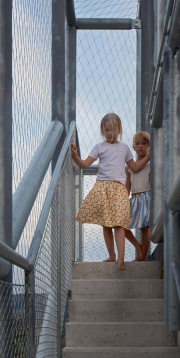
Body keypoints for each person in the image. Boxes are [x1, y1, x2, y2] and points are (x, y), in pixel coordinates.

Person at [70, 113, 149, 271]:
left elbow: (134, 168)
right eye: (107, 129)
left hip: (119, 189)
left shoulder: (125, 147)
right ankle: (111, 255)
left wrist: (148, 157)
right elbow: (85, 164)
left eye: (114, 129)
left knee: (119, 224)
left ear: (119, 129)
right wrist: (75, 156)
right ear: (102, 130)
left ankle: (121, 257)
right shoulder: (100, 147)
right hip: (102, 187)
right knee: (105, 224)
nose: (110, 133)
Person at [124, 131, 151, 261]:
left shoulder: (152, 164)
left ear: (149, 146)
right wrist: (124, 199)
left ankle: (143, 257)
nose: (141, 146)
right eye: (138, 144)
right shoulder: (130, 167)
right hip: (134, 198)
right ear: (133, 147)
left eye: (144, 143)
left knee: (145, 228)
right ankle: (137, 244)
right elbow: (127, 186)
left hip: (147, 196)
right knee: (120, 224)